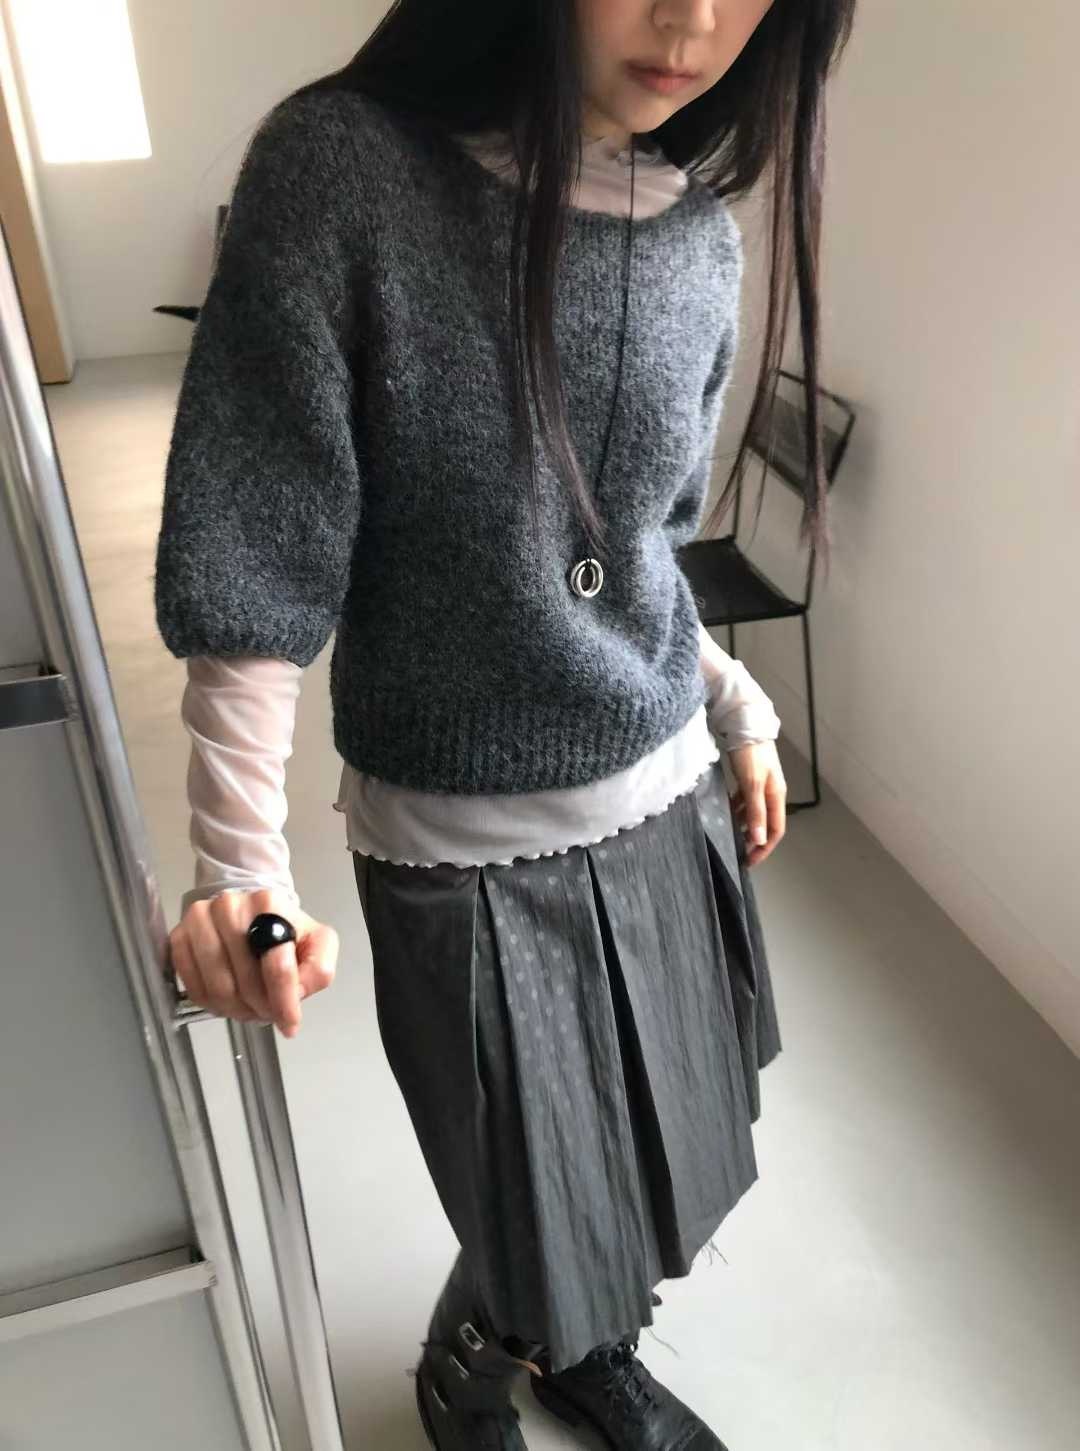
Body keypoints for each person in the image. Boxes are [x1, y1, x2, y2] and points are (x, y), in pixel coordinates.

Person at [153, 3, 856, 1448]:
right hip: (464, 843)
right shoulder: (345, 172)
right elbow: (261, 542)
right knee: (527, 1184)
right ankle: (475, 1355)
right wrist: (240, 866)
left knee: (659, 1141)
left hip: (668, 797)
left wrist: (739, 706)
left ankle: (593, 1349)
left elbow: (643, 547)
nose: (695, 20)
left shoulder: (698, 237)